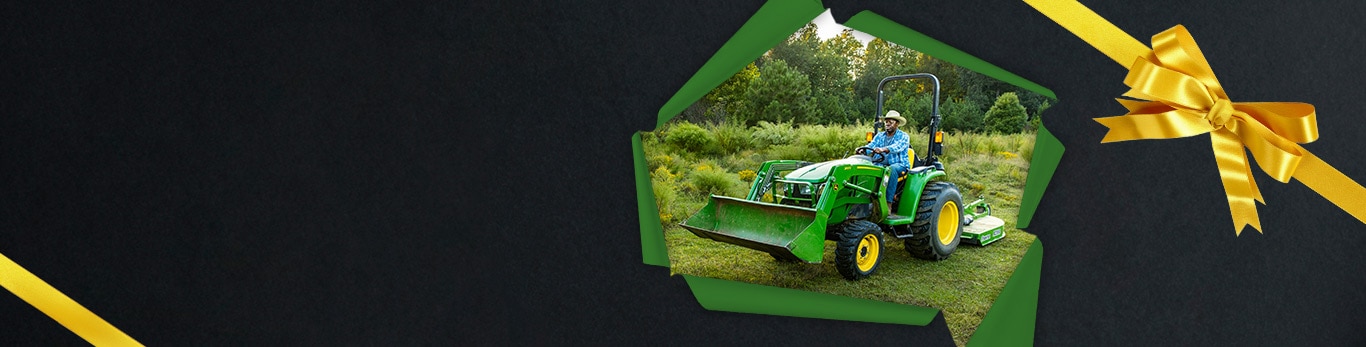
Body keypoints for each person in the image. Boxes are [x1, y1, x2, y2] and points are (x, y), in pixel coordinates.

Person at [865, 110, 911, 204]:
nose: (887, 124)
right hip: (880, 163)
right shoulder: (880, 136)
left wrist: (884, 149)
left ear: (897, 124)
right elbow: (871, 146)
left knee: (891, 169)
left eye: (891, 122)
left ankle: (888, 203)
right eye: (886, 121)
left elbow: (898, 146)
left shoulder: (903, 136)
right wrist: (863, 149)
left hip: (900, 165)